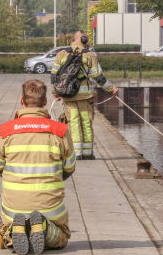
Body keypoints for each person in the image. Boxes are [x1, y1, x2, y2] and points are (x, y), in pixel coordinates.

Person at [0, 79, 75, 255]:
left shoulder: (5, 130)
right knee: (63, 235)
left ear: (22, 101)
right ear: (45, 102)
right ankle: (44, 227)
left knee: (4, 230)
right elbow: (69, 168)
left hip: (12, 209)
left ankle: (15, 229)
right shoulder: (60, 130)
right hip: (51, 208)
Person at [51, 30, 119, 159]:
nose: (87, 41)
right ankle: (88, 154)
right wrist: (111, 89)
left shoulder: (61, 54)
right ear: (82, 39)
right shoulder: (89, 55)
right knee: (86, 123)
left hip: (68, 96)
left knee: (73, 123)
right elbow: (99, 77)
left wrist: (56, 93)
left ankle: (76, 154)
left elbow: (54, 76)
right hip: (85, 96)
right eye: (86, 38)